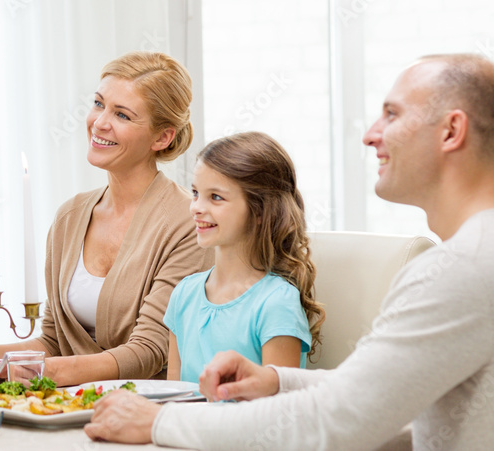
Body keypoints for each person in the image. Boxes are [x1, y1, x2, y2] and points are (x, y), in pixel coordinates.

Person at [85, 54, 494, 450]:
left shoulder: (462, 269)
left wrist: (159, 421)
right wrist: (280, 382)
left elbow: (340, 421)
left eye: (392, 114)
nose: (370, 134)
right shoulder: (471, 259)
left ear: (450, 131)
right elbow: (375, 388)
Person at [0, 51, 213, 385]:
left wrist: (42, 373)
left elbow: (147, 352)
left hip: (138, 414)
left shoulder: (188, 225)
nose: (99, 122)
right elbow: (54, 342)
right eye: (99, 104)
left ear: (162, 137)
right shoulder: (70, 218)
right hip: (63, 408)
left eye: (123, 115)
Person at [164, 132, 323, 383]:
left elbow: (278, 410)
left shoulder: (276, 303)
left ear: (260, 210)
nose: (196, 207)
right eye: (195, 193)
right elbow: (172, 396)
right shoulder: (184, 294)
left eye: (216, 197)